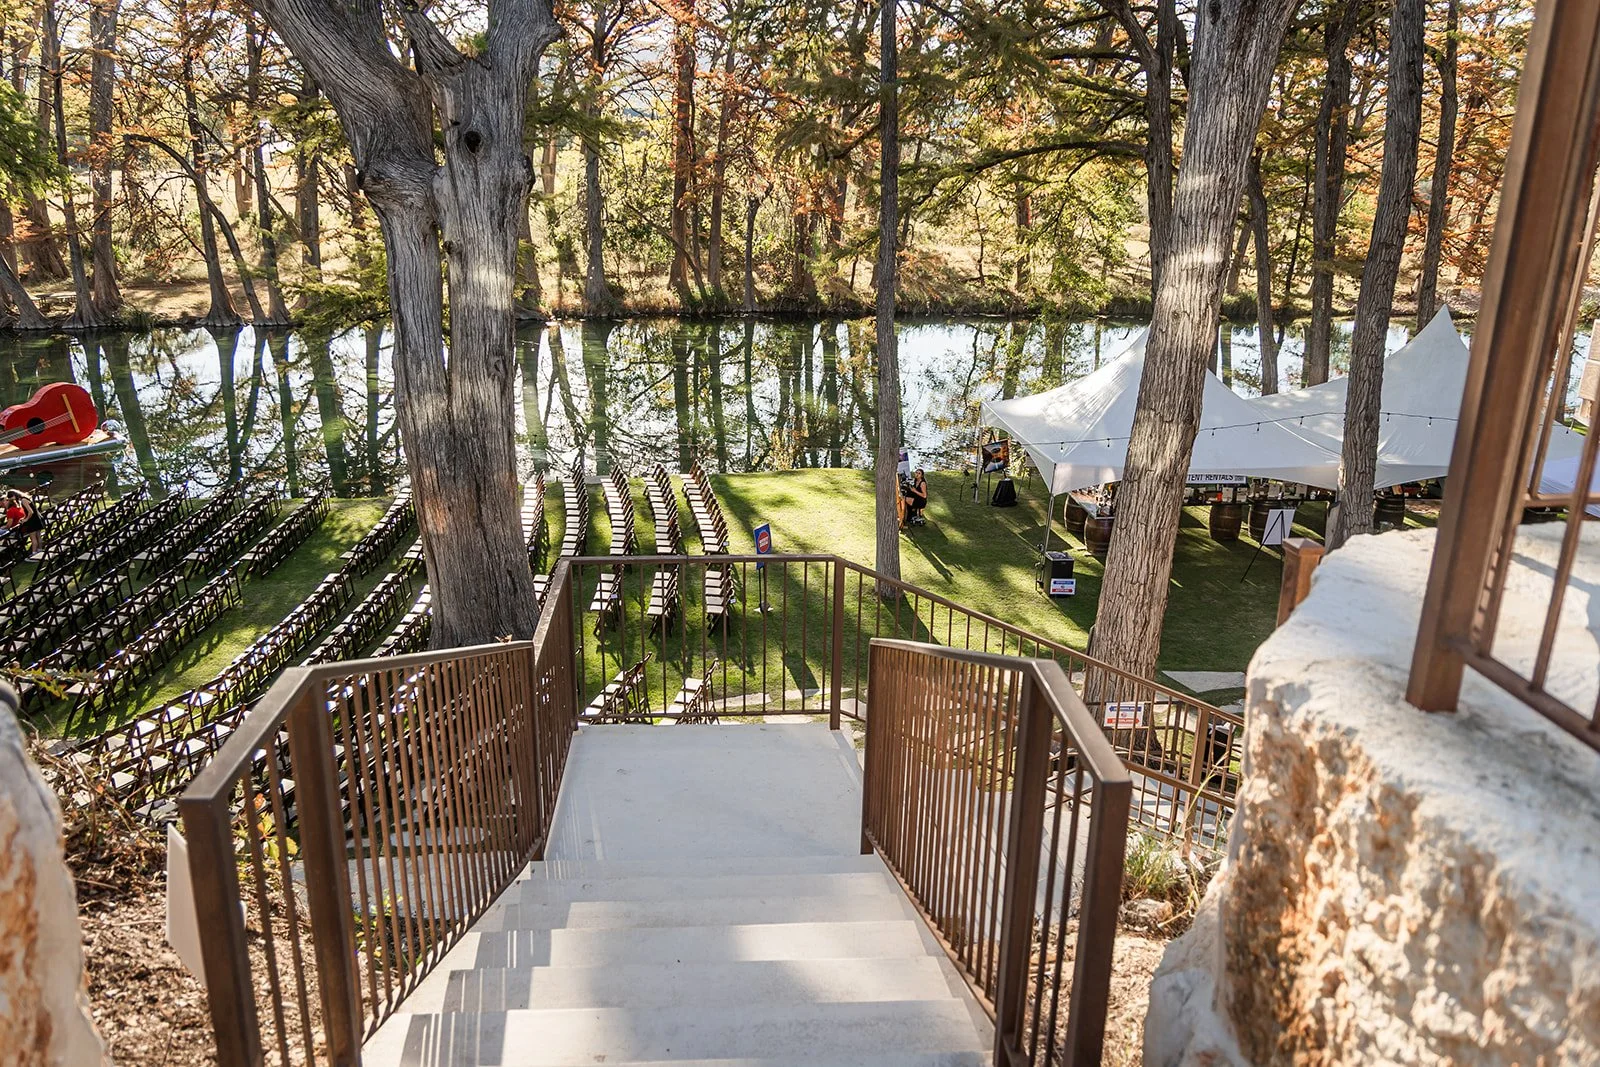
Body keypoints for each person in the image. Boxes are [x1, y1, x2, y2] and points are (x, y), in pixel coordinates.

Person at [4, 489, 43, 554]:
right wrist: (24, 518)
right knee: (38, 536)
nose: (11, 499)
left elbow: (31, 512)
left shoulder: (23, 500)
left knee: (33, 538)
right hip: (37, 519)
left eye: (10, 497)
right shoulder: (25, 498)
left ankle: (34, 553)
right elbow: (28, 512)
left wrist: (26, 519)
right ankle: (40, 549)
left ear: (14, 495)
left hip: (32, 521)